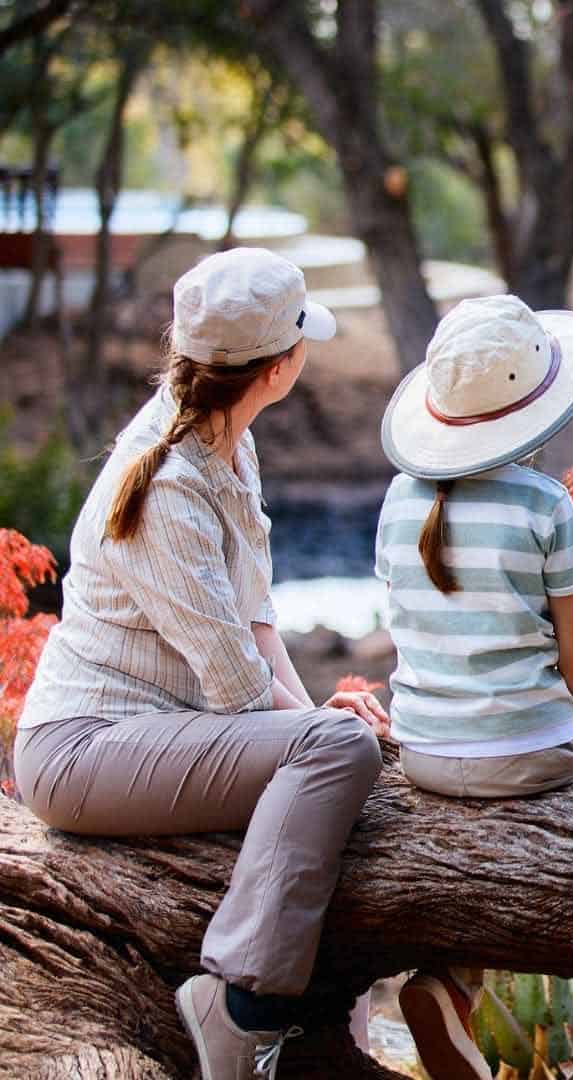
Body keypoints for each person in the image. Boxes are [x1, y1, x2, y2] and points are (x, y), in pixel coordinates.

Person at [11, 248, 388, 1080]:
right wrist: (317, 733)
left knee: (339, 751)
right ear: (280, 365)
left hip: (161, 733)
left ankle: (323, 1034)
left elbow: (255, 625)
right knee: (340, 753)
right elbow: (232, 687)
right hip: (84, 749)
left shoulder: (226, 443)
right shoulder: (168, 484)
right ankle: (239, 1004)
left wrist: (315, 714)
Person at [374, 294, 573, 1080]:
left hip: (424, 753)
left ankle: (449, 982)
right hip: (528, 751)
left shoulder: (399, 498)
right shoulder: (544, 504)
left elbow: (405, 624)